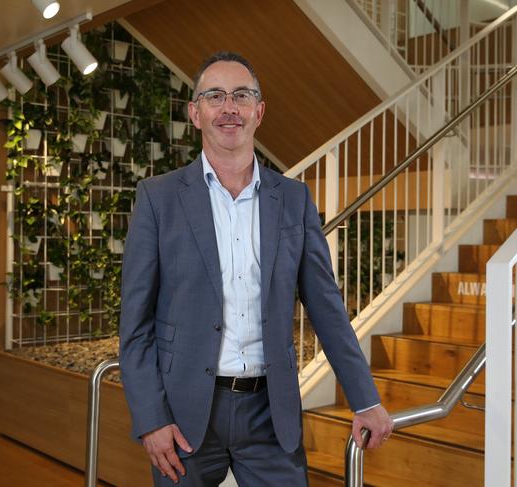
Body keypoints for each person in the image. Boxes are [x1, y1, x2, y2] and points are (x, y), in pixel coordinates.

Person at [119, 51, 392, 487]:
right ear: (195, 112)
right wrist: (151, 420)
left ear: (258, 112)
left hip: (271, 414)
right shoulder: (158, 198)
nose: (229, 108)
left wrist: (365, 397)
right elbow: (135, 327)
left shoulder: (294, 199)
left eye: (241, 96)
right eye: (215, 96)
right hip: (184, 413)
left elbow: (326, 307)